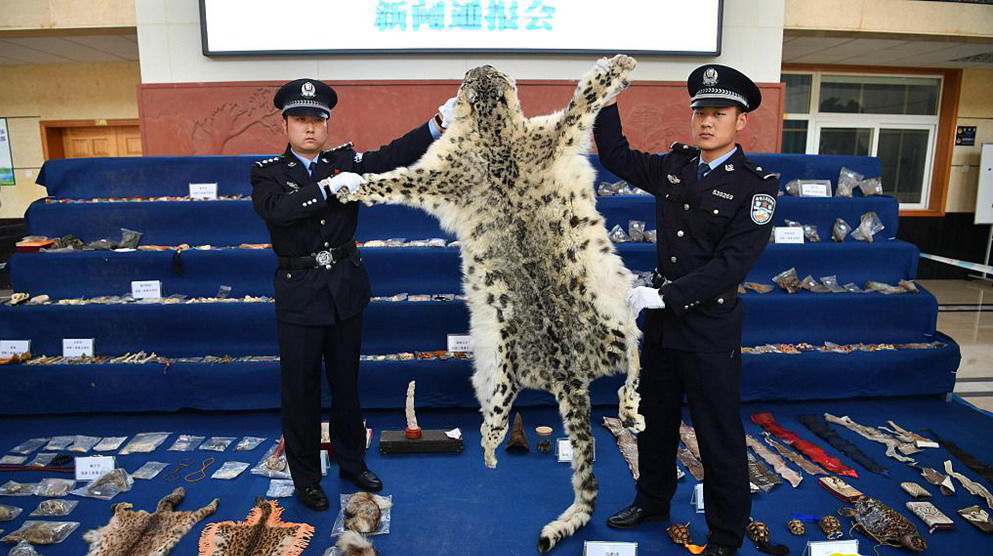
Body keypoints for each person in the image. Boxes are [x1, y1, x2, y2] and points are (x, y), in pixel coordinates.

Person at [594, 64, 778, 556]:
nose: (707, 122)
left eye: (719, 113)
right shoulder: (676, 166)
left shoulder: (756, 187)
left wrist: (669, 295)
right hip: (662, 327)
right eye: (700, 112)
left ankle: (725, 533)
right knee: (653, 422)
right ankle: (652, 501)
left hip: (708, 328)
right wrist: (606, 100)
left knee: (718, 435)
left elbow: (733, 263)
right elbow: (615, 156)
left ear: (741, 121)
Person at [251, 78, 454, 511]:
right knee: (301, 392)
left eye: (317, 119)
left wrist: (437, 124)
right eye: (300, 119)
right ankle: (306, 476)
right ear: (285, 125)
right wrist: (326, 188)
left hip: (345, 289)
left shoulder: (343, 161)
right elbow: (277, 211)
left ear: (327, 124)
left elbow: (391, 156)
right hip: (300, 294)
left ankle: (351, 461)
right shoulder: (267, 172)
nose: (309, 127)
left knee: (346, 384)